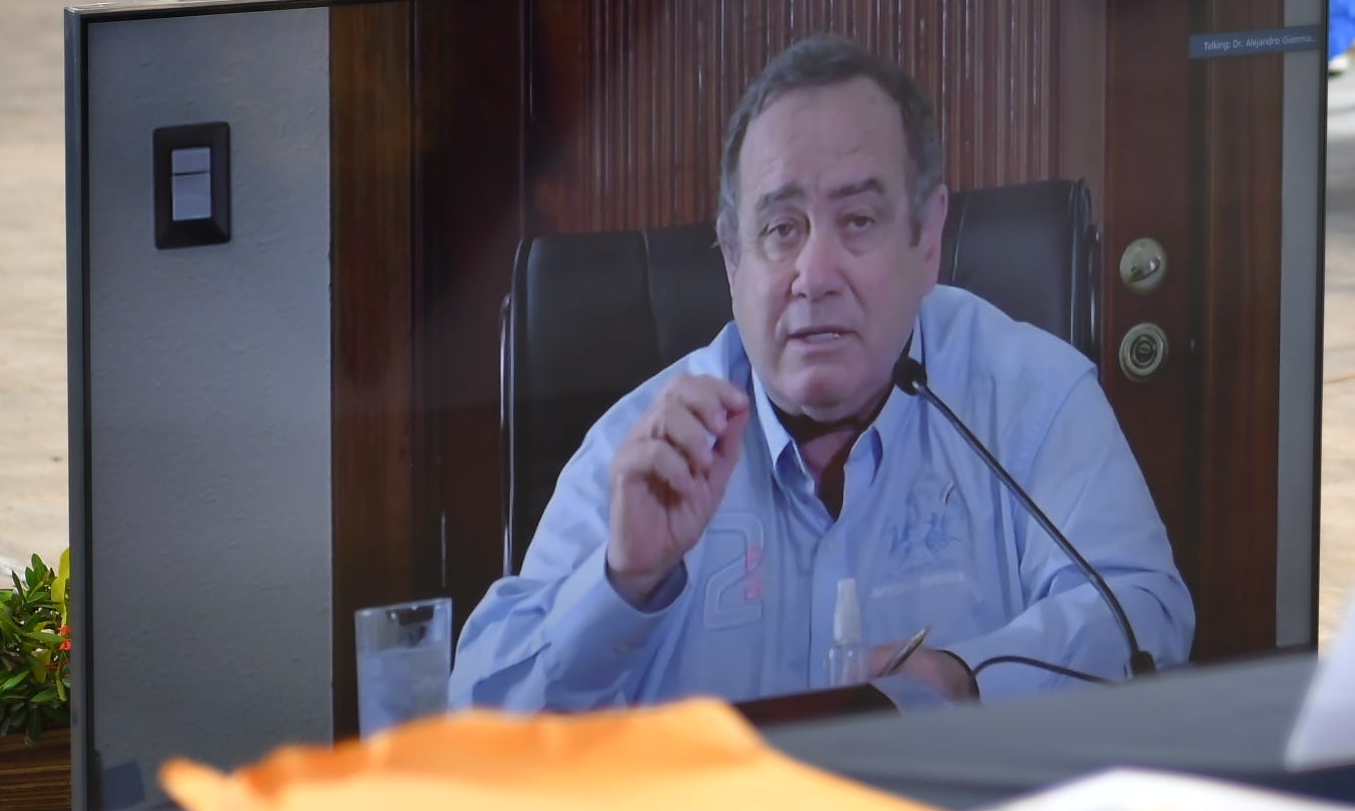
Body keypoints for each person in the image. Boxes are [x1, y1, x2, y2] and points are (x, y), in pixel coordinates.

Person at [455, 35, 1192, 714]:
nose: (815, 275)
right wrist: (622, 583)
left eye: (860, 221)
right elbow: (478, 719)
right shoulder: (643, 448)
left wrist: (968, 679)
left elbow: (1145, 618)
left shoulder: (1030, 395)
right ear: (731, 257)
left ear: (927, 238)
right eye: (781, 230)